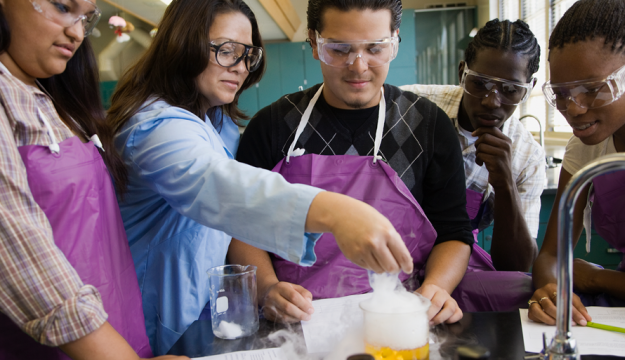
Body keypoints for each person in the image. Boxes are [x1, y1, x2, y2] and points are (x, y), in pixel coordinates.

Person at [106, 0, 414, 355]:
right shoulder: (152, 127)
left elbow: (229, 225)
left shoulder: (216, 123)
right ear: (181, 44)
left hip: (201, 316)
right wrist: (338, 212)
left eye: (247, 55)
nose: (239, 67)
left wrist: (267, 289)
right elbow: (218, 186)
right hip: (148, 323)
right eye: (226, 51)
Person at [232, 0, 473, 326]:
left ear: (395, 42)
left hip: (398, 316)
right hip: (296, 322)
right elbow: (242, 225)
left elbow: (453, 233)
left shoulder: (428, 126)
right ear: (315, 43)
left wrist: (435, 290)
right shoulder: (273, 126)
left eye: (375, 48)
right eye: (340, 49)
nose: (358, 66)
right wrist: (267, 288)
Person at [0, 0, 186, 359]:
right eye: (62, 7)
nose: (77, 32)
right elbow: (18, 246)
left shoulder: (56, 100)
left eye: (86, 18)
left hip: (112, 328)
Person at [529, 0, 625, 326]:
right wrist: (549, 290)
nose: (574, 109)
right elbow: (552, 254)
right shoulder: (586, 149)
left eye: (593, 90)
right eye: (561, 93)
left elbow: (583, 273)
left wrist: (597, 278)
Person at [401, 19, 546, 273]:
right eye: (480, 83)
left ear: (528, 90)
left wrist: (504, 184)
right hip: (389, 249)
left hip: (453, 262)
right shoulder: (410, 108)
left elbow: (517, 267)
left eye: (511, 89)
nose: (492, 101)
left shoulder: (528, 159)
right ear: (462, 74)